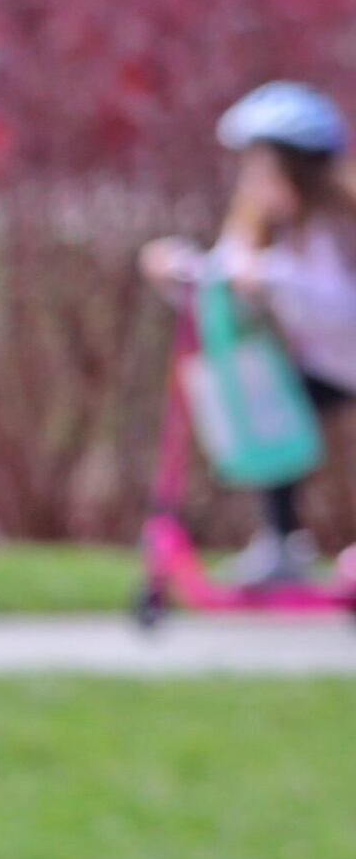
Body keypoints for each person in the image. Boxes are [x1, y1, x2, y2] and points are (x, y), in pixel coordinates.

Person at [145, 80, 356, 590]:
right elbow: (222, 284)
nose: (253, 178)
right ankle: (281, 542)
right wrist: (178, 270)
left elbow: (342, 308)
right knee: (259, 401)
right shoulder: (260, 224)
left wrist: (275, 277)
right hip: (324, 366)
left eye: (265, 164)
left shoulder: (338, 225)